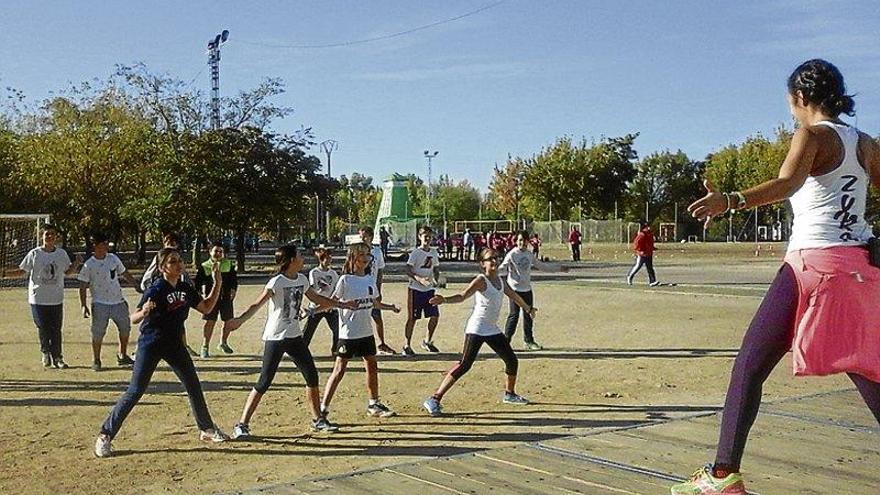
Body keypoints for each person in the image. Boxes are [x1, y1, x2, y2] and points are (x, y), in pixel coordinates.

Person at [672, 59, 880, 495]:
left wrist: (729, 200)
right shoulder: (866, 143)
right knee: (867, 369)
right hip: (857, 266)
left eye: (790, 100)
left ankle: (723, 475)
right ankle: (722, 474)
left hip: (811, 266)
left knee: (750, 363)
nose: (790, 109)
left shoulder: (811, 135)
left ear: (801, 98)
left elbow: (787, 183)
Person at [94, 248, 229, 458]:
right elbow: (134, 318)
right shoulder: (156, 289)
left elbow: (206, 308)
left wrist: (217, 282)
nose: (178, 264)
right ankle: (105, 435)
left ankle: (207, 429)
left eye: (179, 260)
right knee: (136, 390)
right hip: (152, 342)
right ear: (162, 268)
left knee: (193, 384)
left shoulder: (185, 287)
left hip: (174, 343)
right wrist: (144, 311)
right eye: (172, 262)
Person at [225, 245, 356, 438]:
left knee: (312, 376)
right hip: (276, 337)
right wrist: (239, 321)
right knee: (264, 381)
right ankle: (242, 424)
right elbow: (257, 304)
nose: (303, 258)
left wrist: (342, 304)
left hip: (294, 337)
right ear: (291, 260)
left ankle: (318, 420)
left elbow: (318, 298)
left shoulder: (302, 280)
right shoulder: (276, 282)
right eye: (300, 255)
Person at [422, 248, 534, 416]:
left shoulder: (501, 281)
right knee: (464, 364)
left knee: (511, 360)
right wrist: (444, 300)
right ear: (483, 264)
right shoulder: (481, 280)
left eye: (496, 257)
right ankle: (434, 398)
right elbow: (462, 295)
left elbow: (514, 295)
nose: (494, 261)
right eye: (490, 259)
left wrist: (527, 308)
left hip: (491, 328)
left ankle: (509, 394)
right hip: (477, 328)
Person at [320, 242, 401, 423]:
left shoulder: (370, 279)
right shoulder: (345, 280)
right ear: (353, 258)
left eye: (368, 254)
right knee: (339, 370)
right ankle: (323, 410)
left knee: (372, 365)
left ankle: (374, 404)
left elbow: (374, 303)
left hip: (366, 333)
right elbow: (332, 302)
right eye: (362, 254)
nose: (366, 258)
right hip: (348, 334)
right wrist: (312, 311)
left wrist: (391, 307)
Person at [19, 224, 82, 369]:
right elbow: (23, 271)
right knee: (43, 327)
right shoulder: (34, 254)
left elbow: (68, 272)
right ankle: (45, 352)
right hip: (38, 298)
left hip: (56, 298)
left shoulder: (61, 254)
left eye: (52, 234)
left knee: (56, 328)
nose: (49, 237)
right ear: (42, 236)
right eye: (47, 234)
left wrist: (77, 263)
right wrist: (5, 273)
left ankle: (58, 357)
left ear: (56, 237)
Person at [78, 233, 140, 371]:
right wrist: (83, 305)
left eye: (105, 245)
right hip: (100, 303)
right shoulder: (89, 265)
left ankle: (122, 355)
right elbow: (83, 286)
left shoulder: (113, 259)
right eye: (100, 245)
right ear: (95, 247)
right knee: (98, 332)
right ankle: (96, 359)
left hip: (118, 301)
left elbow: (124, 273)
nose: (103, 248)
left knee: (125, 329)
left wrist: (136, 284)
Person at [500, 231, 567, 350]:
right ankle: (505, 342)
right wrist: (490, 273)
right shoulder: (512, 254)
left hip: (526, 289)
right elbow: (503, 268)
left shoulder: (529, 254)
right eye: (520, 240)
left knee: (528, 314)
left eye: (524, 240)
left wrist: (558, 268)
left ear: (528, 242)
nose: (522, 243)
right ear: (516, 241)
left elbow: (542, 266)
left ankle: (529, 341)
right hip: (514, 289)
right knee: (514, 315)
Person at [141, 233, 199, 356]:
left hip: (177, 293)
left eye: (173, 243)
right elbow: (147, 277)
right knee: (153, 324)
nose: (170, 246)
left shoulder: (178, 259)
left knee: (179, 322)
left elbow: (184, 274)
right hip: (161, 295)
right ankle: (141, 350)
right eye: (168, 243)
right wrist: (150, 289)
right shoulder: (159, 258)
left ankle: (183, 346)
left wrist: (190, 286)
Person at [403, 226, 442, 355]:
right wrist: (419, 279)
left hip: (429, 290)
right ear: (420, 237)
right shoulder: (416, 253)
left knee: (435, 315)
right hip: (415, 290)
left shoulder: (434, 252)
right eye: (425, 236)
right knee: (412, 318)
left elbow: (435, 268)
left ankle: (428, 341)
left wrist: (437, 278)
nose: (428, 239)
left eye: (430, 236)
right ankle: (407, 345)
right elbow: (408, 269)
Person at [195, 241, 238, 357]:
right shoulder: (204, 266)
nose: (218, 253)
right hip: (210, 299)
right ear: (210, 252)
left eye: (221, 251)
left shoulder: (229, 265)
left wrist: (233, 290)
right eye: (216, 251)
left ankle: (223, 342)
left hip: (226, 298)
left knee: (228, 322)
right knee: (210, 322)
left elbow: (234, 280)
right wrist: (200, 296)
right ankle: (205, 346)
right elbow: (197, 283)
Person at [359, 226, 397, 354]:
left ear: (370, 236)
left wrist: (378, 288)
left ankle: (382, 343)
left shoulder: (377, 252)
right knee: (360, 317)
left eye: (364, 236)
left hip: (372, 288)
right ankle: (358, 344)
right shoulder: (357, 251)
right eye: (361, 236)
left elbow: (380, 270)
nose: (362, 239)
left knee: (377, 316)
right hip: (359, 287)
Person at [302, 248, 340, 354]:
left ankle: (335, 350)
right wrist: (320, 303)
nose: (328, 260)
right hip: (316, 306)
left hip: (330, 307)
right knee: (308, 330)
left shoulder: (333, 274)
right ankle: (301, 350)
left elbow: (336, 289)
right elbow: (313, 289)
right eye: (326, 258)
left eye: (330, 258)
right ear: (321, 259)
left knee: (337, 330)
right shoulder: (314, 272)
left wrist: (330, 304)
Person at [626, 221, 659, 286]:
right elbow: (636, 243)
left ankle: (652, 281)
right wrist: (640, 250)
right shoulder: (642, 234)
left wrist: (653, 248)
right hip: (642, 254)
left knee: (650, 268)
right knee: (638, 266)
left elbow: (650, 243)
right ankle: (630, 276)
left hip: (649, 253)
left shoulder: (650, 234)